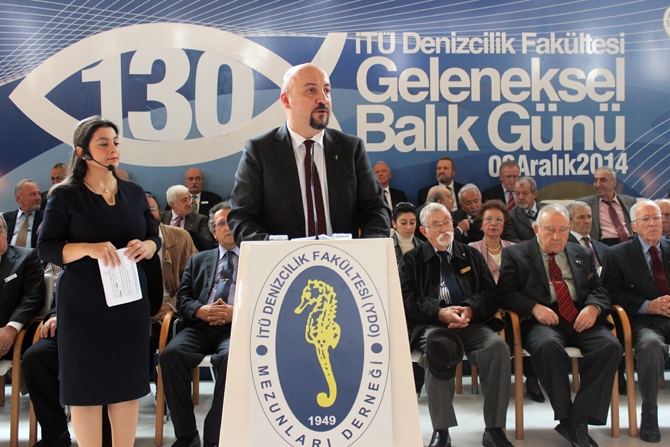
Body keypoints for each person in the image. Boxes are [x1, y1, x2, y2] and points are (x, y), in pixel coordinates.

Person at [37, 116, 160, 447]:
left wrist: (147, 247)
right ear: (82, 151)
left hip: (128, 302)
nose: (113, 149)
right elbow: (46, 247)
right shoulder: (65, 195)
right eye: (103, 143)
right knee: (85, 390)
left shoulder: (134, 192)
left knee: (127, 387)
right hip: (84, 307)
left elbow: (153, 237)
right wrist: (87, 248)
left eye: (115, 143)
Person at [498, 204, 622, 447]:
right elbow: (505, 293)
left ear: (570, 229)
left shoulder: (582, 253)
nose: (557, 236)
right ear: (537, 229)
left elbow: (599, 290)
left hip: (579, 315)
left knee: (610, 347)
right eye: (550, 230)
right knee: (547, 346)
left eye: (563, 230)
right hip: (542, 319)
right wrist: (534, 308)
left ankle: (578, 419)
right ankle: (567, 417)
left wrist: (593, 307)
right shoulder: (516, 254)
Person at [228, 63, 389, 242]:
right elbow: (242, 217)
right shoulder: (259, 151)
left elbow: (376, 210)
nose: (323, 99)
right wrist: (274, 250)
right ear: (286, 100)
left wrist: (365, 249)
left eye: (326, 91)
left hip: (343, 259)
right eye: (311, 91)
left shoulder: (351, 148)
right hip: (284, 259)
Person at [399, 202, 512, 447]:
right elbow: (406, 300)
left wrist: (470, 308)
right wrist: (440, 312)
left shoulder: (470, 254)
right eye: (436, 225)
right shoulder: (412, 260)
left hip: (471, 323)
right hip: (432, 326)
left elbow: (491, 294)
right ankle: (442, 431)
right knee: (440, 347)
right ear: (424, 231)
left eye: (447, 222)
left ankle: (494, 429)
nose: (444, 229)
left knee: (497, 348)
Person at [160, 202, 238, 447]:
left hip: (235, 328)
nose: (227, 227)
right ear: (213, 232)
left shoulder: (254, 260)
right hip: (200, 327)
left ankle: (214, 437)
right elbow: (183, 298)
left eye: (232, 222)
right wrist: (200, 311)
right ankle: (187, 435)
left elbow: (264, 299)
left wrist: (235, 312)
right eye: (221, 223)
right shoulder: (198, 260)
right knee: (170, 355)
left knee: (231, 359)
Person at [602, 199, 670, 443]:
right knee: (651, 346)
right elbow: (611, 293)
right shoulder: (617, 254)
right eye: (646, 219)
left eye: (657, 217)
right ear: (633, 226)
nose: (653, 223)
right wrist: (648, 305)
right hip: (643, 320)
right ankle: (649, 412)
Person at [0, 212, 45, 360]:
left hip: (8, 331)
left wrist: (12, 328)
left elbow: (33, 297)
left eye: (0, 231)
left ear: (6, 233)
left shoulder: (27, 257)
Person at [577, 167, 636, 246]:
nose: (598, 184)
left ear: (614, 182)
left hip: (630, 243)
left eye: (603, 180)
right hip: (604, 245)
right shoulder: (585, 204)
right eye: (595, 181)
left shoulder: (630, 201)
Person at [468, 200, 514, 283]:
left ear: (504, 225)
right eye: (489, 219)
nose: (493, 223)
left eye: (499, 220)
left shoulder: (513, 248)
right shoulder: (473, 249)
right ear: (481, 225)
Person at [161, 185, 214, 251]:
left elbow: (207, 243)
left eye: (189, 198)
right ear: (172, 204)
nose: (189, 203)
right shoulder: (161, 218)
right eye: (184, 200)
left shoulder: (201, 220)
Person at [566, 201, 608, 272]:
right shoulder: (565, 246)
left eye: (589, 217)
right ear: (569, 222)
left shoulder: (603, 248)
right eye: (581, 217)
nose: (587, 221)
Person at [503, 177, 546, 243]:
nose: (520, 197)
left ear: (535, 194)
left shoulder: (549, 211)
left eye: (525, 193)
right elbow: (511, 239)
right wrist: (532, 246)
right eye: (517, 193)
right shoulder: (511, 216)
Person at [3, 178, 43, 248]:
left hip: (35, 254)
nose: (38, 198)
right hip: (8, 254)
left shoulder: (46, 218)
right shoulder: (5, 219)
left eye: (39, 194)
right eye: (32, 194)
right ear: (18, 198)